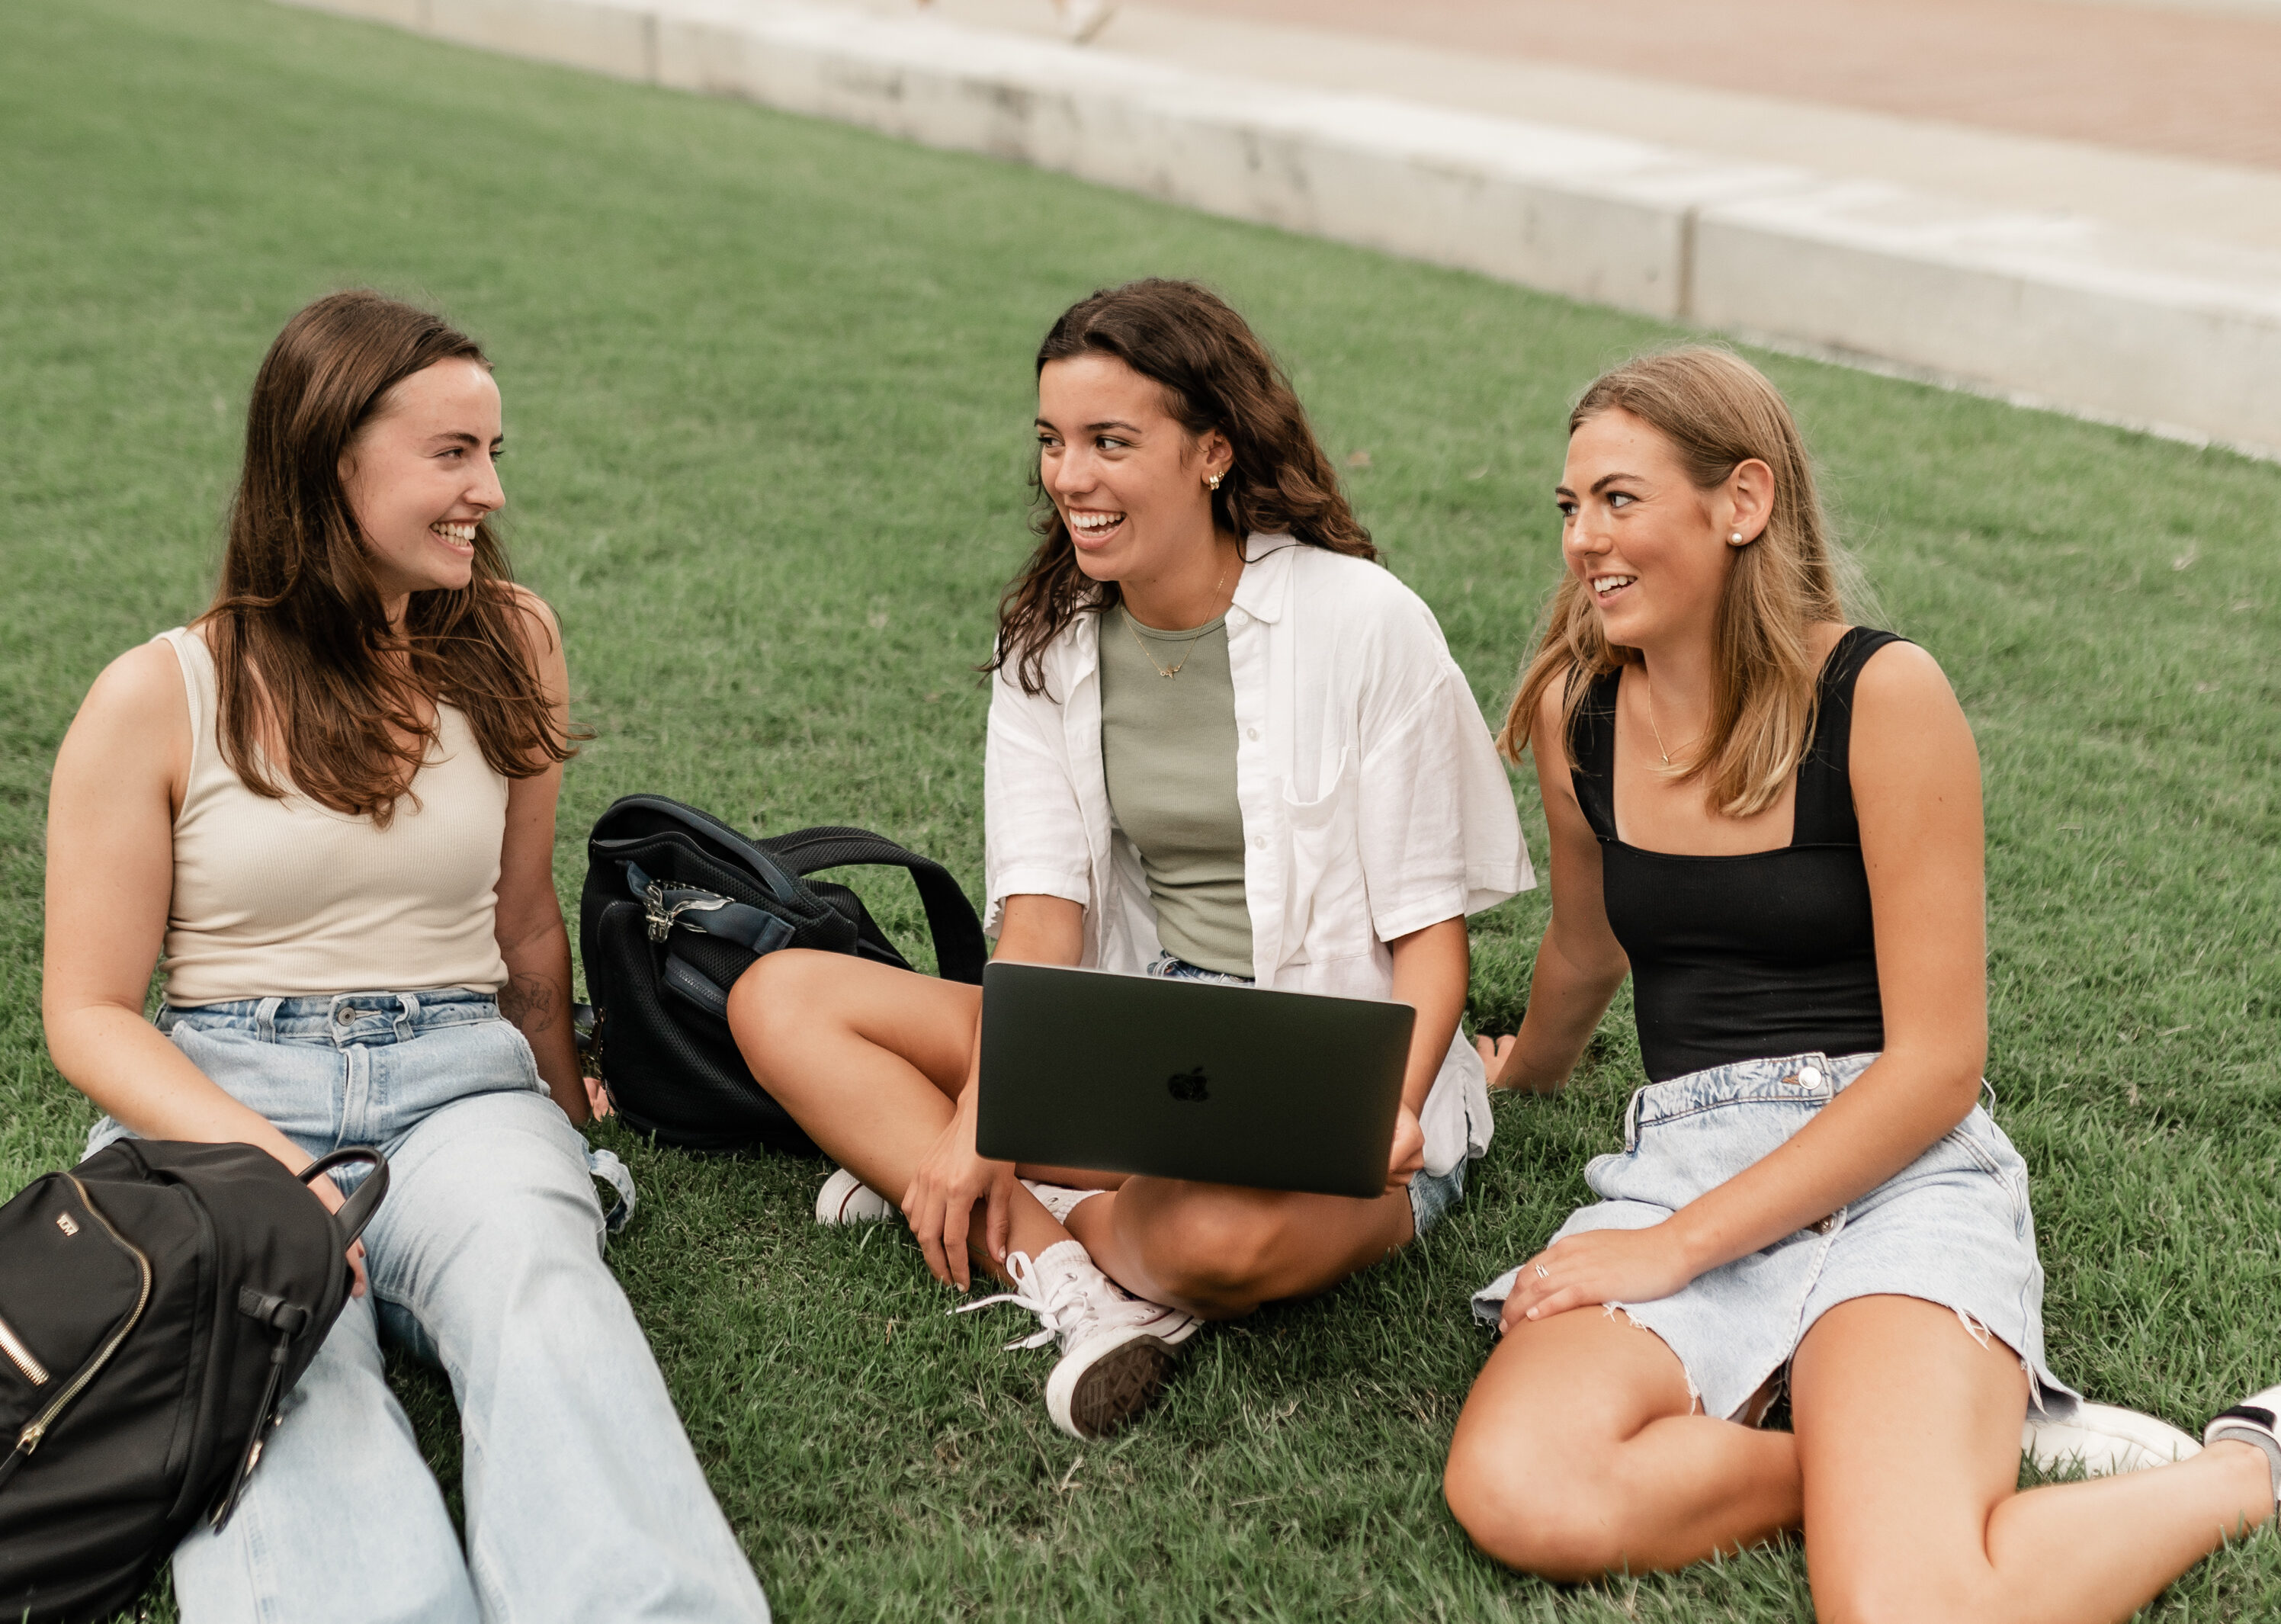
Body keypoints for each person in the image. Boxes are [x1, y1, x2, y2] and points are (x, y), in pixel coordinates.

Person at [1440, 345, 2281, 1622]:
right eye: (1571, 508)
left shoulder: (1882, 696)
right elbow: (1585, 943)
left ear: (1743, 501)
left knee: (1909, 1605)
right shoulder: (1580, 711)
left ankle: (2247, 1464)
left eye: (1618, 499)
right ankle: (1905, 1467)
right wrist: (1527, 1066)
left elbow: (1938, 1064)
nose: (1581, 541)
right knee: (1525, 1488)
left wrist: (1672, 1253)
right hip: (1683, 1153)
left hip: (1897, 1165)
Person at [40, 291, 770, 1623]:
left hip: (455, 1085)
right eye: (453, 454)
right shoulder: (158, 695)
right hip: (227, 1098)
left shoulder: (511, 643)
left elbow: (524, 923)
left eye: (493, 453)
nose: (488, 489)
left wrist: (562, 1121)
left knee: (545, 1283)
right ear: (332, 458)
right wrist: (281, 1178)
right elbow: (88, 1014)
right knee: (285, 1355)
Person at [731, 278, 1529, 1439]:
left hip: (1330, 1064)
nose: (1070, 477)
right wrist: (978, 1125)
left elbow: (1429, 947)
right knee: (779, 996)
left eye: (1111, 442)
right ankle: (1062, 1254)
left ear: (1213, 452)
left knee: (1221, 1242)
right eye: (1053, 442)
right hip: (1142, 1039)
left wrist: (1388, 1113)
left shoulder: (1364, 622)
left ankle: (1019, 1206)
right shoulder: (1048, 647)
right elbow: (1044, 927)